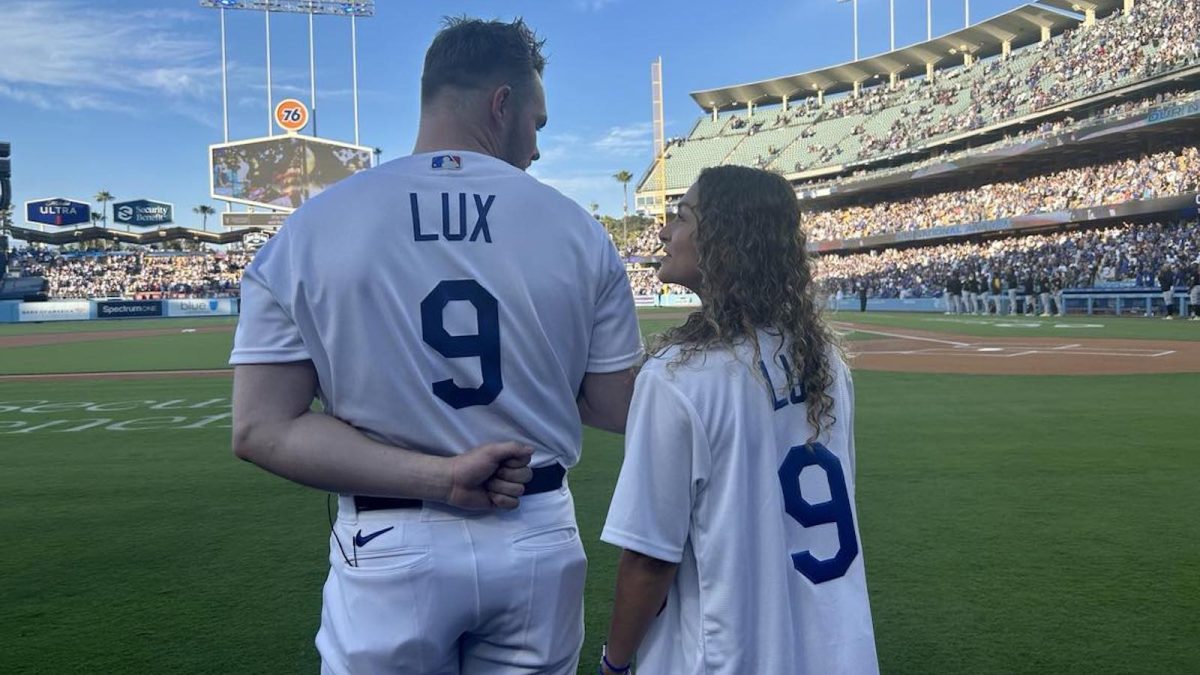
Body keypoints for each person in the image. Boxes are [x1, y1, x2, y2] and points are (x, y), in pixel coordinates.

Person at [228, 17, 642, 674]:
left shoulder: (306, 233)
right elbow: (619, 405)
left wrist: (440, 478)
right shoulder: (579, 231)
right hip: (534, 528)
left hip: (390, 540)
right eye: (535, 122)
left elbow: (259, 429)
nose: (535, 146)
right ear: (500, 104)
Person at [599, 166, 878, 675]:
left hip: (729, 654)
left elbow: (648, 561)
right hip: (838, 652)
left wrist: (613, 663)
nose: (664, 232)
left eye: (681, 217)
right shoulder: (825, 362)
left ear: (722, 242)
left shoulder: (678, 379)